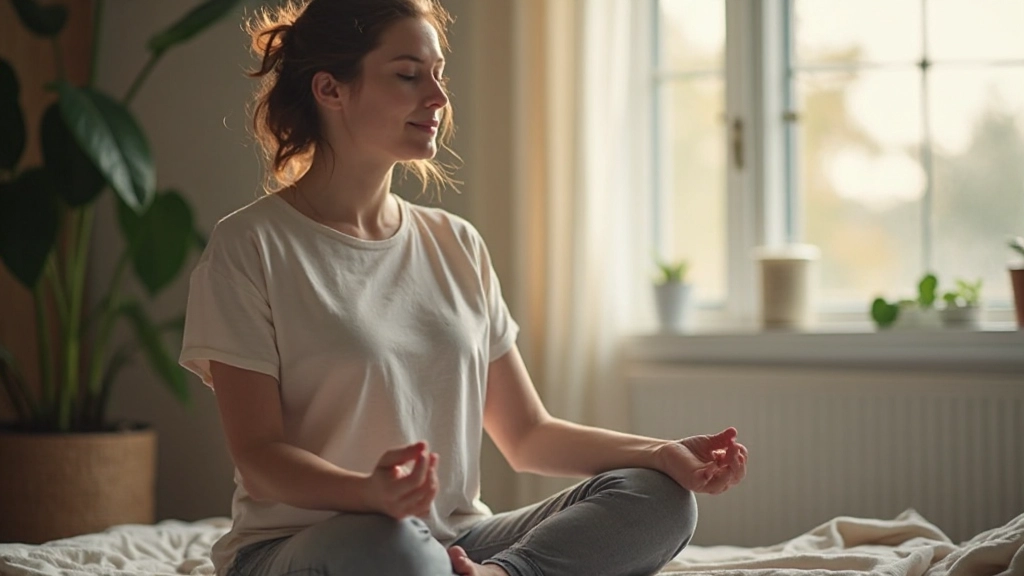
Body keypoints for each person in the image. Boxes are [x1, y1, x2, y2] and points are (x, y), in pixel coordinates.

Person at [178, 1, 749, 575]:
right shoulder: (250, 246)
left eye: (439, 75)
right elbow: (260, 459)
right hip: (318, 546)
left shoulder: (456, 242)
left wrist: (660, 453)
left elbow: (528, 434)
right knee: (391, 545)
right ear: (331, 89)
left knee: (660, 498)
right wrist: (368, 493)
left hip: (456, 541)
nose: (438, 98)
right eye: (408, 75)